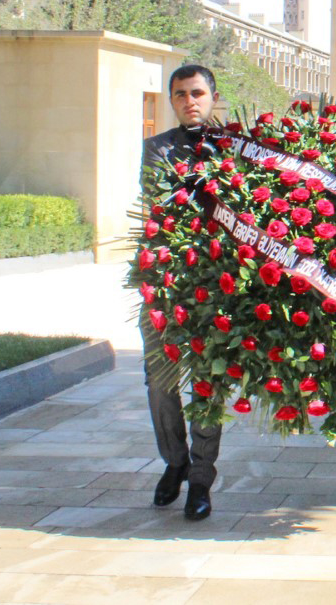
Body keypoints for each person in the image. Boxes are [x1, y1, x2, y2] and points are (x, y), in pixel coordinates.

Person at [139, 63, 225, 522]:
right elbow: (164, 200)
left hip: (217, 284)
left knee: (208, 381)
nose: (189, 101)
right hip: (166, 280)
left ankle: (201, 479)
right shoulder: (157, 148)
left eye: (197, 93)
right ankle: (175, 461)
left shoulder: (236, 147)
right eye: (180, 94)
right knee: (160, 381)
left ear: (213, 97)